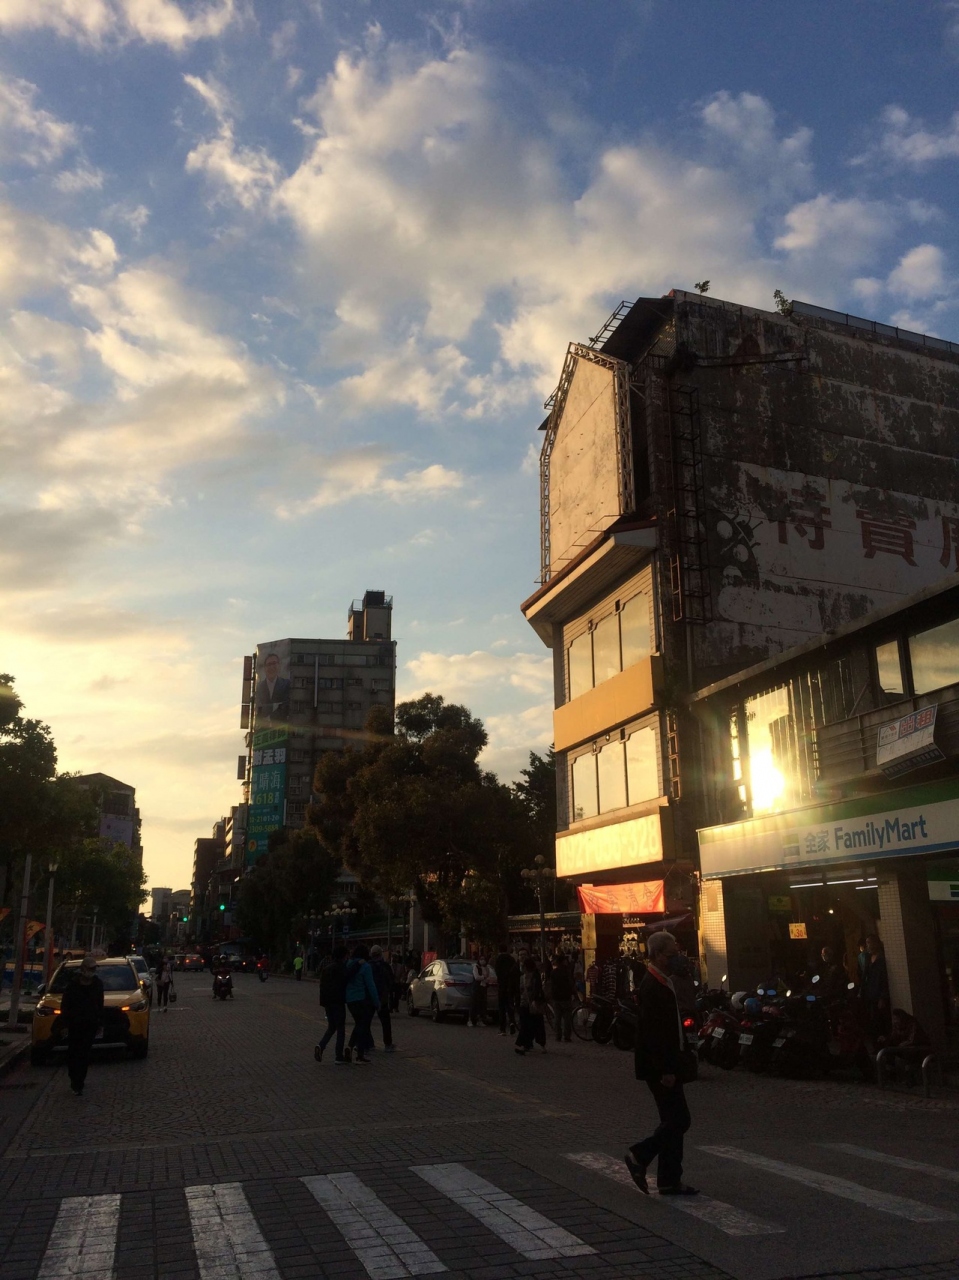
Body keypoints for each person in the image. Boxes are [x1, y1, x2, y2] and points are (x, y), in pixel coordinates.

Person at [625, 931, 698, 1196]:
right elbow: (653, 1034)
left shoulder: (665, 981)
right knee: (679, 1120)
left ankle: (669, 1179)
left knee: (672, 1121)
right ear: (656, 955)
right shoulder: (652, 985)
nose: (676, 958)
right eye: (671, 954)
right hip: (660, 1067)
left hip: (670, 1063)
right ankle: (639, 1154)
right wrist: (665, 1069)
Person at [60, 957, 104, 1097]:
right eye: (90, 968)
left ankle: (79, 1083)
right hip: (74, 1024)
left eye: (94, 969)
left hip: (90, 1024)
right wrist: (65, 1024)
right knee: (73, 1053)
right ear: (83, 969)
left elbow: (100, 1004)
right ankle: (73, 1077)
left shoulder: (97, 984)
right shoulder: (73, 985)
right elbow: (65, 1005)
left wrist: (99, 1023)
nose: (92, 971)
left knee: (84, 1054)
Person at [344, 944, 379, 1064]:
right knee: (362, 1025)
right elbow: (371, 985)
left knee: (359, 1024)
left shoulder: (349, 964)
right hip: (360, 999)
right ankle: (357, 1052)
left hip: (349, 1000)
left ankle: (352, 1048)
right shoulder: (365, 966)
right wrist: (376, 1001)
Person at [316, 944, 348, 1064]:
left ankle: (321, 1045)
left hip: (327, 1002)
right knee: (340, 1028)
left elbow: (322, 986)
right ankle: (339, 1056)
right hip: (338, 1001)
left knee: (331, 1027)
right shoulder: (341, 968)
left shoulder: (327, 968)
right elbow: (347, 979)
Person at [860, 934, 891, 1042]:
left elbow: (884, 978)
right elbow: (865, 975)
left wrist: (883, 996)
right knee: (872, 1021)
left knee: (880, 1021)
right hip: (870, 993)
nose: (868, 945)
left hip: (878, 993)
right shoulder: (868, 958)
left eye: (869, 942)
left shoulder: (881, 959)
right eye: (867, 943)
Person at [515, 955, 547, 1055]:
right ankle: (525, 1044)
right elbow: (520, 991)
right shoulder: (522, 977)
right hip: (525, 1004)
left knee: (537, 1025)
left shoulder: (535, 977)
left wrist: (534, 999)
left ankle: (540, 1045)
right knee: (526, 1025)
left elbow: (537, 990)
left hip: (533, 1004)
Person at [369, 945, 395, 1052]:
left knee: (366, 1022)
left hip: (370, 997)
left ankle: (369, 1044)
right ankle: (388, 1044)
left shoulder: (368, 966)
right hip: (383, 997)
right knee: (385, 1023)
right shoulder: (385, 966)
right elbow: (391, 980)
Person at [549, 952, 574, 1042]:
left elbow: (551, 985)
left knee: (557, 1018)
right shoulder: (566, 972)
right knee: (567, 1018)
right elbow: (571, 983)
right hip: (566, 997)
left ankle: (558, 1035)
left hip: (556, 997)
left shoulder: (554, 972)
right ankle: (567, 1036)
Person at [494, 945, 518, 1036]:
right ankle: (512, 1022)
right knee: (510, 1006)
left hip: (502, 986)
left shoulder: (498, 959)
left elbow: (497, 971)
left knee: (502, 1007)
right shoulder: (511, 959)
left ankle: (502, 1028)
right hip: (510, 986)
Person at [469, 954, 490, 1027]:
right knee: (474, 1004)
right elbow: (476, 977)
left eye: (484, 959)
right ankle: (471, 1020)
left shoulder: (487, 968)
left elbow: (488, 977)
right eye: (481, 959)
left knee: (482, 1004)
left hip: (483, 987)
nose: (482, 961)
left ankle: (480, 1020)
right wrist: (483, 977)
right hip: (477, 987)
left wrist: (486, 979)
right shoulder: (476, 967)